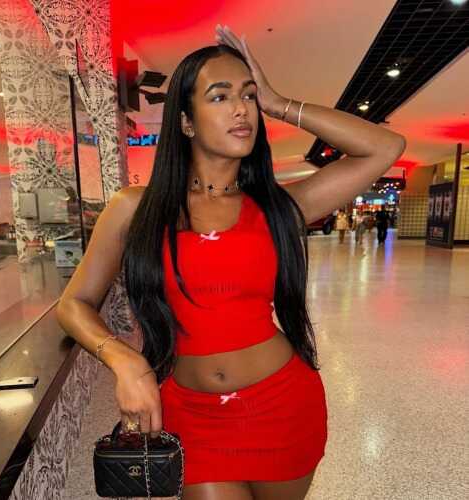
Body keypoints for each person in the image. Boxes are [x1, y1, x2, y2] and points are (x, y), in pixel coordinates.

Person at [56, 24, 405, 500]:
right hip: (191, 417)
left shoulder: (279, 206)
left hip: (282, 407)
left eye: (248, 95)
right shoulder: (135, 208)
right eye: (220, 96)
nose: (242, 108)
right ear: (186, 122)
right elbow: (73, 303)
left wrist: (278, 102)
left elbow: (385, 147)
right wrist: (124, 360)